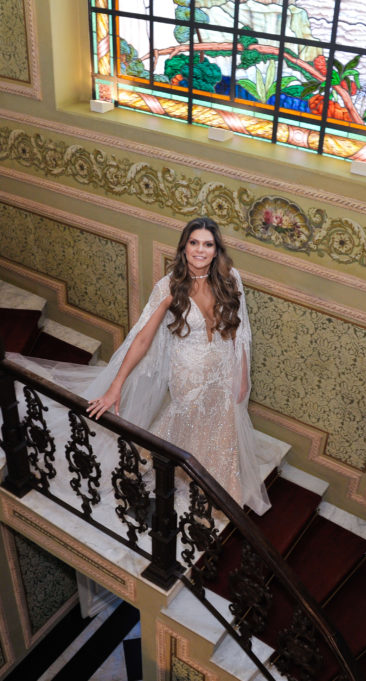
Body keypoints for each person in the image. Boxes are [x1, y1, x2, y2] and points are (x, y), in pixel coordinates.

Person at [83, 217, 273, 515]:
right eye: (194, 243)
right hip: (188, 372)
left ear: (216, 250)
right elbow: (142, 338)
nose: (200, 250)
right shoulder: (169, 286)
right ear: (184, 247)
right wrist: (115, 386)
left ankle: (215, 485)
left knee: (220, 425)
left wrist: (243, 373)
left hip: (223, 367)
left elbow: (240, 329)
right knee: (187, 421)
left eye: (207, 244)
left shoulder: (230, 278)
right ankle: (159, 462)